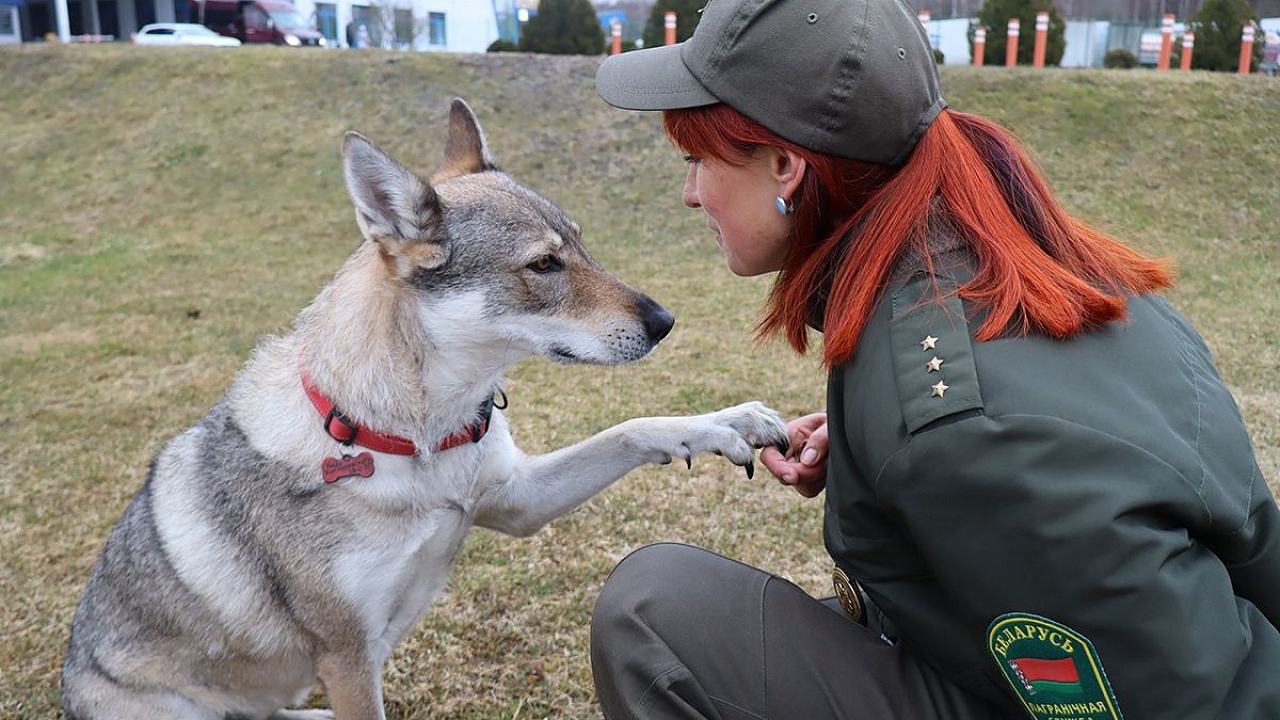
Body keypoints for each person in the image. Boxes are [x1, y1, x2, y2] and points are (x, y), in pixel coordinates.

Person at [590, 0, 1280, 718]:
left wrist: (929, 452)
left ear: (787, 164)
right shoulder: (1037, 266)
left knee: (656, 616)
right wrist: (874, 451)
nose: (689, 193)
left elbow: (1157, 695)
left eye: (698, 158)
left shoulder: (956, 431)